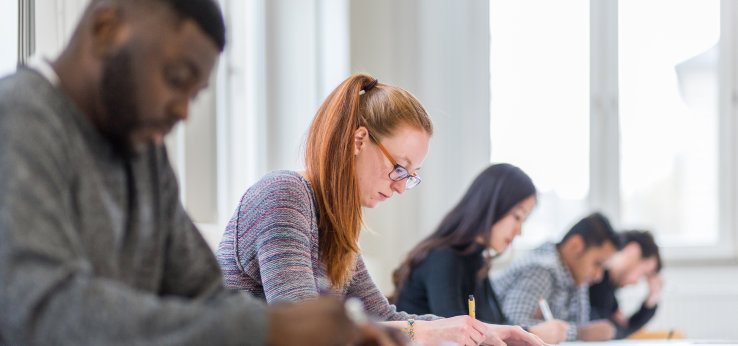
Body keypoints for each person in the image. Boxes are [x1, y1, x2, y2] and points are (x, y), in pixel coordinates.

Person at [0, 1, 397, 345]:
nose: (183, 112)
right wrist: (268, 329)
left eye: (195, 94)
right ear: (106, 29)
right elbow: (41, 312)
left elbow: (203, 295)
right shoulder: (19, 120)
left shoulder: (142, 153)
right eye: (176, 80)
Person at [217, 74, 546, 346]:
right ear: (359, 141)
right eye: (399, 168)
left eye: (411, 176)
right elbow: (309, 328)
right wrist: (434, 332)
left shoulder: (335, 222)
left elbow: (384, 318)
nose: (401, 186)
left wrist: (483, 330)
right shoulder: (283, 195)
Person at [390, 163, 570, 344]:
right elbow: (459, 334)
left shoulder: (475, 260)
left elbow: (496, 324)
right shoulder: (444, 258)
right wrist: (531, 332)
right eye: (517, 217)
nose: (519, 231)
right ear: (493, 206)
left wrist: (527, 333)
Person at [493, 212, 620, 342]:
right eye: (597, 264)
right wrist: (580, 333)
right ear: (575, 245)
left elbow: (579, 322)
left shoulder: (575, 275)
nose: (598, 276)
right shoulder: (541, 270)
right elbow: (511, 329)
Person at [589, 230, 663, 339]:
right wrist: (615, 326)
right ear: (633, 251)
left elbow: (621, 330)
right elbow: (608, 332)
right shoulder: (595, 278)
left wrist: (650, 302)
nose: (636, 281)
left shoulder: (609, 289)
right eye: (642, 273)